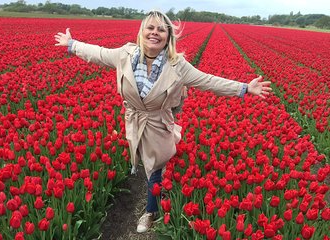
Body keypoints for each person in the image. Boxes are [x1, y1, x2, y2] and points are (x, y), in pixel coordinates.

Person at [54, 10, 272, 233]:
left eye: (161, 29)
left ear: (168, 36)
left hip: (158, 122)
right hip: (135, 119)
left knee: (155, 167)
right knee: (143, 161)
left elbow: (208, 81)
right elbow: (98, 53)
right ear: (142, 32)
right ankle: (152, 183)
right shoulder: (124, 55)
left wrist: (244, 88)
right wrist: (72, 44)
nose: (154, 33)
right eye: (150, 28)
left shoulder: (178, 65)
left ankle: (150, 211)